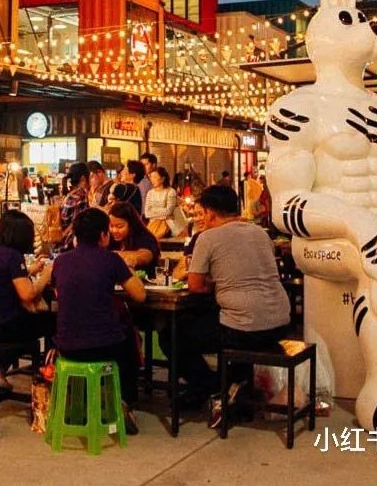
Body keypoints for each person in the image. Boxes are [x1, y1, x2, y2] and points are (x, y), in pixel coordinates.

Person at [166, 185, 290, 427]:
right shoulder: (260, 233)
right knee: (225, 320)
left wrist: (215, 284)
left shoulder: (208, 238)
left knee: (172, 334)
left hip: (244, 329)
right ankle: (234, 391)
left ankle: (210, 386)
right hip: (280, 323)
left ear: (210, 212)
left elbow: (195, 286)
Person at [51, 208, 145, 434]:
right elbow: (140, 295)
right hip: (103, 347)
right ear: (104, 235)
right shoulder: (111, 260)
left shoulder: (61, 261)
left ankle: (82, 402)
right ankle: (124, 403)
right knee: (130, 339)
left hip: (67, 346)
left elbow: (58, 293)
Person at [0, 211, 54, 377]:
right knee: (53, 322)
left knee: (27, 321)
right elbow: (27, 295)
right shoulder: (13, 256)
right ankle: (49, 374)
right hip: (0, 326)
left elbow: (4, 277)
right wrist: (45, 276)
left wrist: (29, 271)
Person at [107, 201, 160, 268]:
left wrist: (130, 258)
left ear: (131, 224)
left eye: (119, 226)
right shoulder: (108, 237)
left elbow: (146, 255)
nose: (114, 231)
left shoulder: (145, 237)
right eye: (111, 226)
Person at [143, 166, 179, 240]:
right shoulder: (150, 193)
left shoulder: (171, 191)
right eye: (151, 177)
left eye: (155, 177)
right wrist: (164, 216)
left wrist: (153, 210)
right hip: (152, 225)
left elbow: (169, 211)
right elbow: (147, 213)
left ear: (162, 179)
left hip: (168, 226)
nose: (152, 180)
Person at [59, 162, 90, 235]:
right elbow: (77, 223)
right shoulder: (80, 196)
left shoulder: (70, 194)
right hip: (70, 239)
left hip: (62, 234)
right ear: (83, 178)